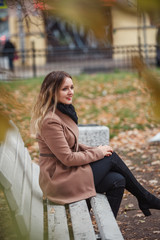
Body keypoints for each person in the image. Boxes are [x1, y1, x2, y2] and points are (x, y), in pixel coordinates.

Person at [31, 71, 160, 218]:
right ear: (52, 92)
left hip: (67, 173)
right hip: (59, 181)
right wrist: (98, 153)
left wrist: (96, 149)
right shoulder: (50, 121)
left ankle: (108, 232)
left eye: (72, 87)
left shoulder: (62, 113)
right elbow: (68, 158)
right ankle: (146, 198)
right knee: (110, 158)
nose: (70, 92)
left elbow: (74, 145)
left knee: (118, 180)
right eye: (64, 89)